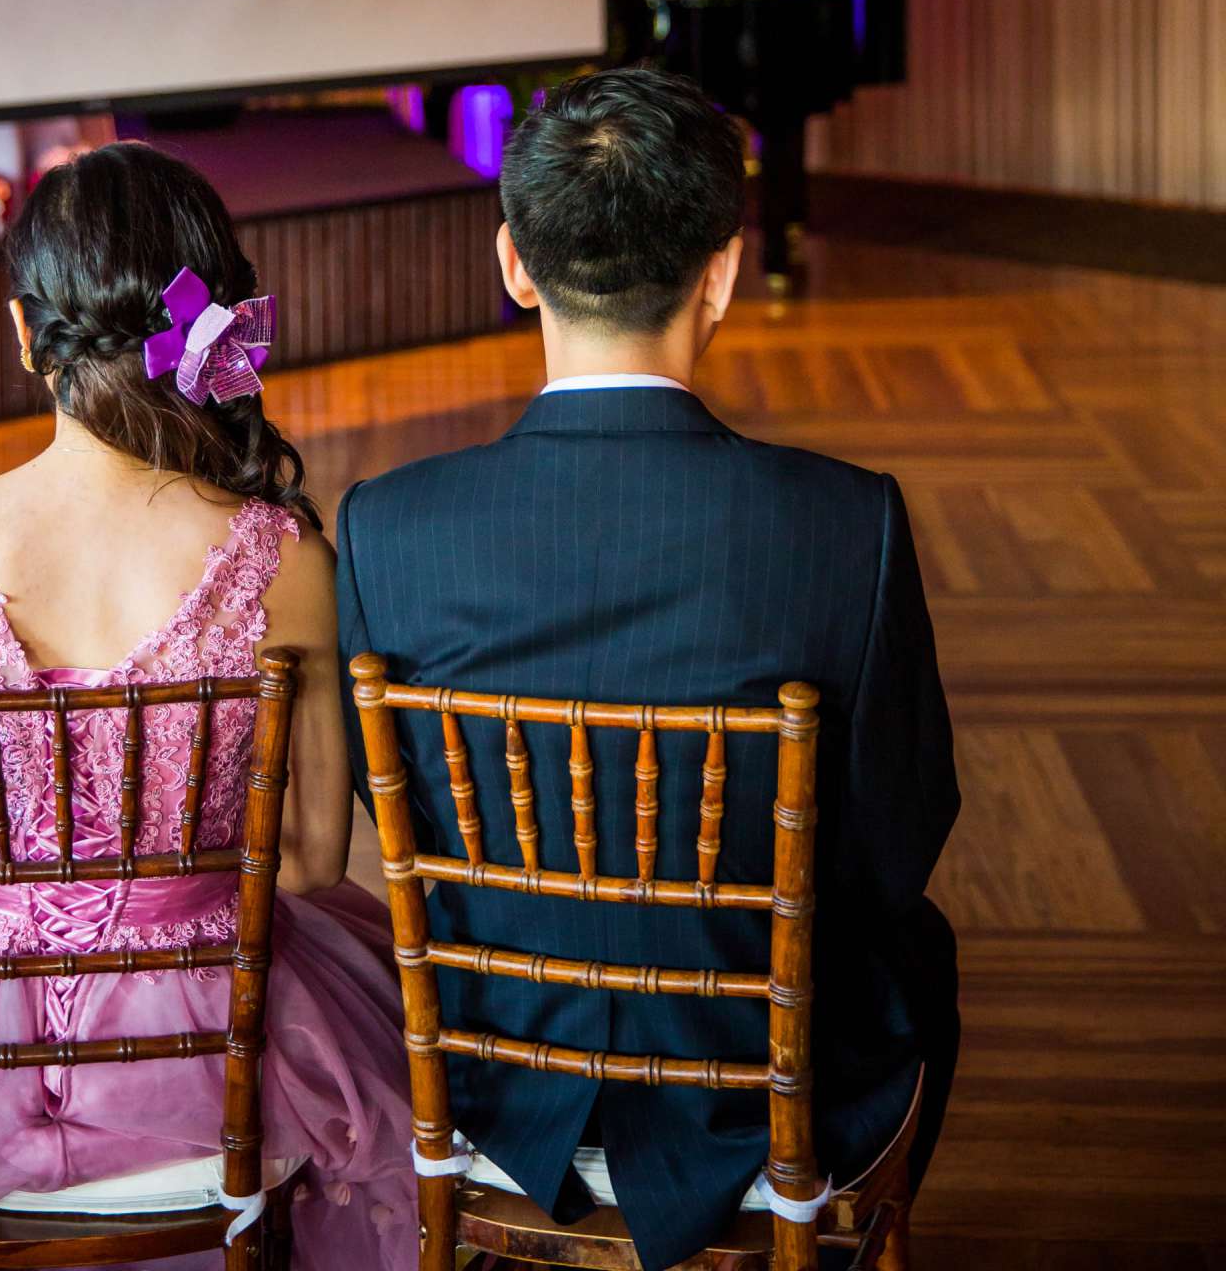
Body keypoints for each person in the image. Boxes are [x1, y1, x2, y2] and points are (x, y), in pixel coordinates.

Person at [0, 143, 413, 1271]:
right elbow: (303, 864)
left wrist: (25, 876)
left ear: (22, 330)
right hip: (217, 1048)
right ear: (214, 324)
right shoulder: (279, 558)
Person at [337, 65, 960, 1271]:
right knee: (916, 947)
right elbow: (894, 846)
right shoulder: (848, 524)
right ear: (721, 269)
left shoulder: (385, 528)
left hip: (497, 1085)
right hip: (754, 1096)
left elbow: (400, 816)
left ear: (512, 263)